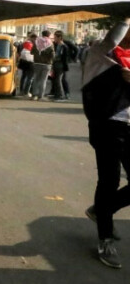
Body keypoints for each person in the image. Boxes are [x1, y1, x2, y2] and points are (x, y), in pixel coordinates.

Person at [81, 19, 130, 268]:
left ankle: (101, 210)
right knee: (109, 181)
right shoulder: (101, 54)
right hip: (107, 126)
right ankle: (105, 239)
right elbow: (114, 37)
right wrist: (126, 16)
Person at [30, 30, 55, 101]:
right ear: (49, 35)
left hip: (37, 63)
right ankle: (40, 96)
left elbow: (31, 52)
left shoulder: (36, 42)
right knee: (43, 80)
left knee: (36, 79)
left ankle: (34, 95)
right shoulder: (50, 43)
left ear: (42, 34)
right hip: (47, 64)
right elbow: (53, 55)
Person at [51, 30, 70, 101]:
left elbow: (64, 58)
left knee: (58, 80)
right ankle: (56, 94)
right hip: (56, 64)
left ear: (60, 37)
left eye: (55, 37)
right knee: (56, 80)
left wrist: (65, 67)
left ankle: (60, 96)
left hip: (60, 65)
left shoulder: (63, 46)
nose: (54, 39)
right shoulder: (57, 45)